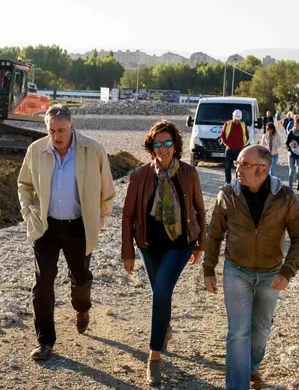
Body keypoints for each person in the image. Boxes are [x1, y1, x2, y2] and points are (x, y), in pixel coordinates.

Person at [203, 145, 299, 390]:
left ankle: (251, 368)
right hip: (236, 271)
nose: (237, 168)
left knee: (260, 331)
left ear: (263, 170)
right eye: (238, 163)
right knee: (238, 332)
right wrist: (209, 269)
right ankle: (237, 386)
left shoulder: (285, 197)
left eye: (244, 164)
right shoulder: (227, 194)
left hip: (271, 274)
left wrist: (287, 271)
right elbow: (214, 234)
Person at [17, 104, 116, 361]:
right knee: (42, 283)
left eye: (61, 130)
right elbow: (24, 185)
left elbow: (107, 192)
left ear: (72, 126)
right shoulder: (36, 150)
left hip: (79, 226)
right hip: (46, 227)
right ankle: (44, 341)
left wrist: (99, 221)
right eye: (52, 130)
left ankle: (82, 309)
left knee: (80, 278)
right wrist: (29, 213)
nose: (57, 135)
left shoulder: (92, 149)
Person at [121, 120, 206, 386]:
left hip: (180, 245)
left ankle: (154, 357)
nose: (163, 148)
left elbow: (201, 211)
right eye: (158, 143)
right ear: (152, 146)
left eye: (168, 143)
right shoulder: (139, 175)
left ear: (176, 145)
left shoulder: (190, 174)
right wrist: (128, 252)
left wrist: (201, 246)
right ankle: (165, 329)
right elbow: (127, 216)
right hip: (148, 246)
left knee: (161, 292)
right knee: (160, 294)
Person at [219, 109, 250, 183]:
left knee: (239, 168)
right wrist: (226, 143)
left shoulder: (243, 125)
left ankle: (237, 182)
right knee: (227, 167)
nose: (237, 121)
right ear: (232, 116)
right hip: (229, 149)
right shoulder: (227, 124)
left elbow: (247, 136)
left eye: (238, 119)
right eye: (236, 119)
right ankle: (228, 182)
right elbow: (222, 135)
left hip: (239, 150)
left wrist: (242, 144)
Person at [285, 118, 299, 191]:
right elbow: (286, 143)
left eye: (298, 123)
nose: (296, 125)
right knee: (291, 170)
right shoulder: (291, 132)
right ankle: (290, 187)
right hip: (291, 154)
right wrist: (290, 145)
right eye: (295, 123)